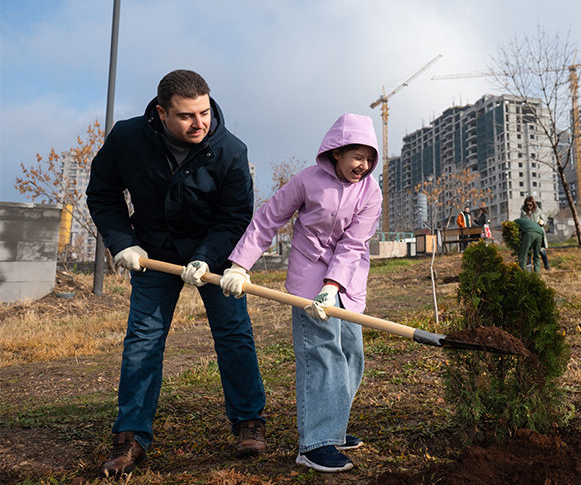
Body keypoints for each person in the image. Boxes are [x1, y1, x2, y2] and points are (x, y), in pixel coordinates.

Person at [86, 70, 267, 477]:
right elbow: (101, 192)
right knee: (143, 340)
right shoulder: (128, 138)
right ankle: (130, 437)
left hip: (214, 255)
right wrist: (122, 241)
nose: (200, 123)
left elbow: (236, 215)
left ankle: (249, 422)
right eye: (187, 116)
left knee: (234, 335)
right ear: (162, 112)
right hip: (153, 252)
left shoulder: (230, 151)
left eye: (204, 112)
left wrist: (207, 257)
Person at [219, 113, 381, 473]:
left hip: (347, 278)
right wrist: (240, 265)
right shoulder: (307, 181)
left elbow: (354, 245)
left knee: (351, 353)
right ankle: (316, 443)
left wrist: (334, 286)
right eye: (357, 156)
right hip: (308, 274)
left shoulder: (371, 192)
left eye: (369, 158)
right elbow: (268, 220)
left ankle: (333, 424)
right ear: (336, 152)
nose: (363, 165)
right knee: (321, 353)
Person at [520, 196, 550, 270]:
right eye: (527, 205)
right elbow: (522, 223)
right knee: (528, 252)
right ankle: (529, 269)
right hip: (528, 235)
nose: (529, 207)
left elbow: (545, 221)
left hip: (538, 233)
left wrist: (541, 222)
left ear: (533, 204)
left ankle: (547, 267)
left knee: (541, 250)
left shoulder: (538, 211)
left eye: (530, 205)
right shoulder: (523, 213)